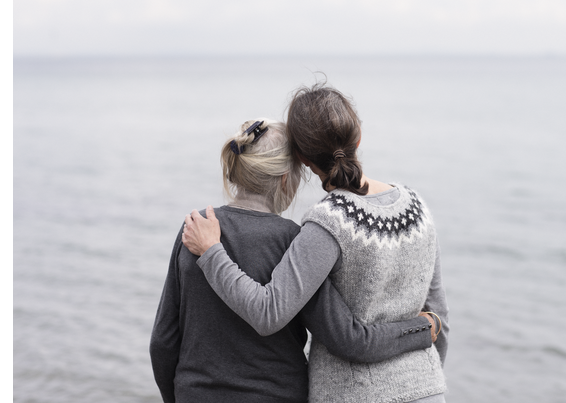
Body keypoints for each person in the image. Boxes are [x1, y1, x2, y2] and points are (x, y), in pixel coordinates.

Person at [183, 84, 449, 403]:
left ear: (302, 158)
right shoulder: (417, 206)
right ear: (358, 135)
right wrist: (426, 376)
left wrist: (213, 253)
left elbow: (269, 312)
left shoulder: (327, 221)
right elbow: (439, 320)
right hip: (429, 390)